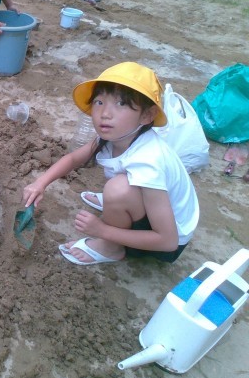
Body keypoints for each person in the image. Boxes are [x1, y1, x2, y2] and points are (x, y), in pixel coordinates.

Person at [22, 62, 199, 265]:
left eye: (121, 103)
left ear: (147, 115)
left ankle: (111, 248)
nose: (105, 113)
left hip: (166, 242)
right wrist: (40, 183)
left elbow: (168, 242)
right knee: (117, 189)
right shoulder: (116, 136)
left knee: (117, 189)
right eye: (99, 102)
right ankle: (119, 205)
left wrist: (102, 230)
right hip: (156, 210)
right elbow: (73, 159)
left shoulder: (148, 162)